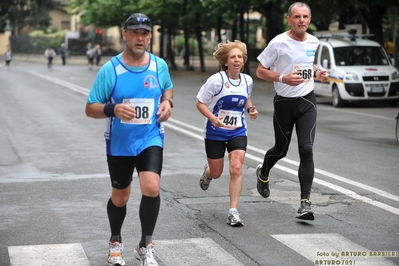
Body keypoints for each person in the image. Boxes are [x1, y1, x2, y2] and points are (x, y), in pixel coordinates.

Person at [85, 13, 173, 266]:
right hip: (119, 143)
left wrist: (168, 102)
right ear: (125, 34)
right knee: (120, 196)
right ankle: (115, 241)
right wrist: (113, 109)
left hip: (150, 137)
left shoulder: (159, 65)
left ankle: (145, 245)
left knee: (151, 187)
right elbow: (90, 107)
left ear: (150, 36)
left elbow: (167, 87)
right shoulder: (111, 69)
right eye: (134, 32)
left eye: (144, 33)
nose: (140, 37)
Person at [255, 2, 329, 221]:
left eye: (305, 16)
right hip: (284, 102)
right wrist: (282, 78)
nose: (302, 21)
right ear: (289, 19)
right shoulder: (278, 42)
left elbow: (309, 65)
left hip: (307, 101)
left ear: (310, 18)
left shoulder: (314, 41)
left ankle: (305, 203)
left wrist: (319, 73)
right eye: (297, 17)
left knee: (306, 149)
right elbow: (260, 71)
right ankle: (264, 172)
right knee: (281, 149)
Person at [196, 40, 258, 227]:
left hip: (237, 130)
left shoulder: (247, 80)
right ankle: (207, 174)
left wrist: (251, 109)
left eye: (240, 57)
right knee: (217, 172)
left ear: (243, 60)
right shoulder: (216, 81)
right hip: (215, 132)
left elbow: (246, 97)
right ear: (226, 61)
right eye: (233, 57)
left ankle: (233, 211)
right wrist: (213, 119)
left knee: (236, 168)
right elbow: (200, 102)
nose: (237, 60)